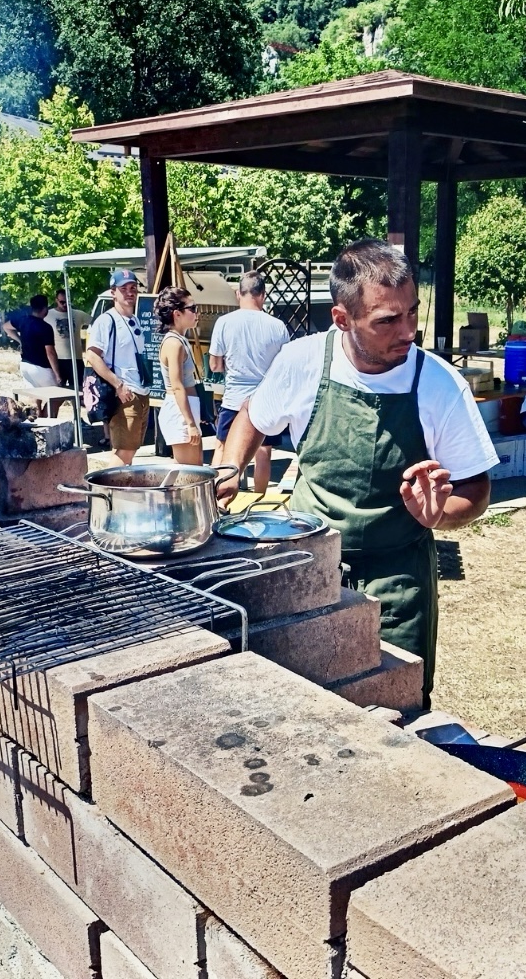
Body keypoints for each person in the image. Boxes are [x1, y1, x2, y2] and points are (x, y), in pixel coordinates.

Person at [215, 240, 494, 704]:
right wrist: (228, 471)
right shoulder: (302, 362)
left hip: (397, 578)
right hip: (306, 565)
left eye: (412, 313)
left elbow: (477, 488)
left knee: (394, 702)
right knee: (303, 696)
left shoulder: (440, 384)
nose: (408, 332)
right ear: (342, 318)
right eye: (387, 320)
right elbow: (252, 416)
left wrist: (440, 515)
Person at [209, 272, 290, 492]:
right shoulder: (277, 326)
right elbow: (284, 366)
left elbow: (214, 365)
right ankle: (259, 501)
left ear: (238, 294)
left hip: (234, 398)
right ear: (262, 295)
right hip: (266, 399)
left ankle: (214, 497)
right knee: (263, 452)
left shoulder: (224, 322)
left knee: (223, 448)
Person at [85, 269, 150, 462]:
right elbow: (92, 355)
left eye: (133, 288)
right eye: (124, 289)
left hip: (140, 391)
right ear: (113, 292)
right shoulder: (106, 320)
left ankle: (122, 488)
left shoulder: (134, 320)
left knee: (131, 449)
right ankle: (108, 491)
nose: (130, 292)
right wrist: (118, 385)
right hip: (124, 394)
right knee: (124, 451)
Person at [153, 288, 204, 465]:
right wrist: (190, 423)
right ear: (177, 314)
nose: (197, 313)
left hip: (186, 408)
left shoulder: (180, 340)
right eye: (193, 308)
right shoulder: (174, 343)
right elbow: (177, 386)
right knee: (189, 473)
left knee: (193, 471)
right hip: (179, 410)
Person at [5, 294, 60, 389]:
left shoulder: (22, 320)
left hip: (25, 365)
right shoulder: (46, 327)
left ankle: (37, 405)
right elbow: (50, 353)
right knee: (58, 394)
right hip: (41, 367)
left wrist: (20, 341)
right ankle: (45, 405)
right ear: (45, 308)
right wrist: (57, 375)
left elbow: (6, 327)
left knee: (35, 392)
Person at [45, 290, 75, 385]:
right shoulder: (47, 315)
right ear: (56, 300)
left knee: (79, 392)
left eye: (68, 302)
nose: (65, 304)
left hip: (75, 360)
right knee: (57, 391)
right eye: (62, 302)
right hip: (57, 360)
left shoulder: (78, 314)